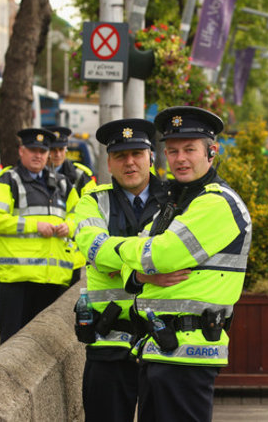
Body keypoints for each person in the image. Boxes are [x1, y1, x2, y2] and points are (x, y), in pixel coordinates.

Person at [113, 106, 252, 422]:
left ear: (211, 153)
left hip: (189, 353)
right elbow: (136, 266)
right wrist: (140, 272)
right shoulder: (174, 205)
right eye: (172, 151)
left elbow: (159, 256)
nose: (180, 158)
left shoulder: (217, 203)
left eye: (190, 149)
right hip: (159, 350)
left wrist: (119, 248)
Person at [72, 118, 186, 422]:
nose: (130, 162)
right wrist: (140, 272)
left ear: (151, 156)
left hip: (166, 342)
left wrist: (119, 257)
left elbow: (182, 256)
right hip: (109, 342)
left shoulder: (181, 200)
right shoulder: (92, 201)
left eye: (137, 153)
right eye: (121, 156)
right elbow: (94, 249)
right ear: (109, 162)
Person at [0, 128, 79, 344]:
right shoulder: (8, 181)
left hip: (51, 277)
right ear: (21, 151)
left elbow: (81, 216)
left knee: (45, 344)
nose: (38, 155)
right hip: (16, 278)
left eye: (42, 151)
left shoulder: (62, 183)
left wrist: (70, 226)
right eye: (32, 150)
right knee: (12, 343)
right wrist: (34, 225)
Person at [46, 126, 98, 286]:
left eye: (61, 149)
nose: (57, 154)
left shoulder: (80, 177)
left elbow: (91, 214)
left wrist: (69, 226)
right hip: (43, 253)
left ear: (66, 149)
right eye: (53, 150)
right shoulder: (37, 175)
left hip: (72, 255)